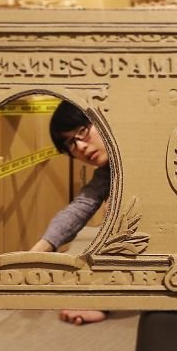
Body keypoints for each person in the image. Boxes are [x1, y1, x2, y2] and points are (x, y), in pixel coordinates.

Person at [30, 100, 110, 325]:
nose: (80, 147)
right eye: (70, 143)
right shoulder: (108, 170)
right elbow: (81, 206)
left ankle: (105, 297)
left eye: (82, 131)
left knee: (118, 209)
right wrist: (37, 253)